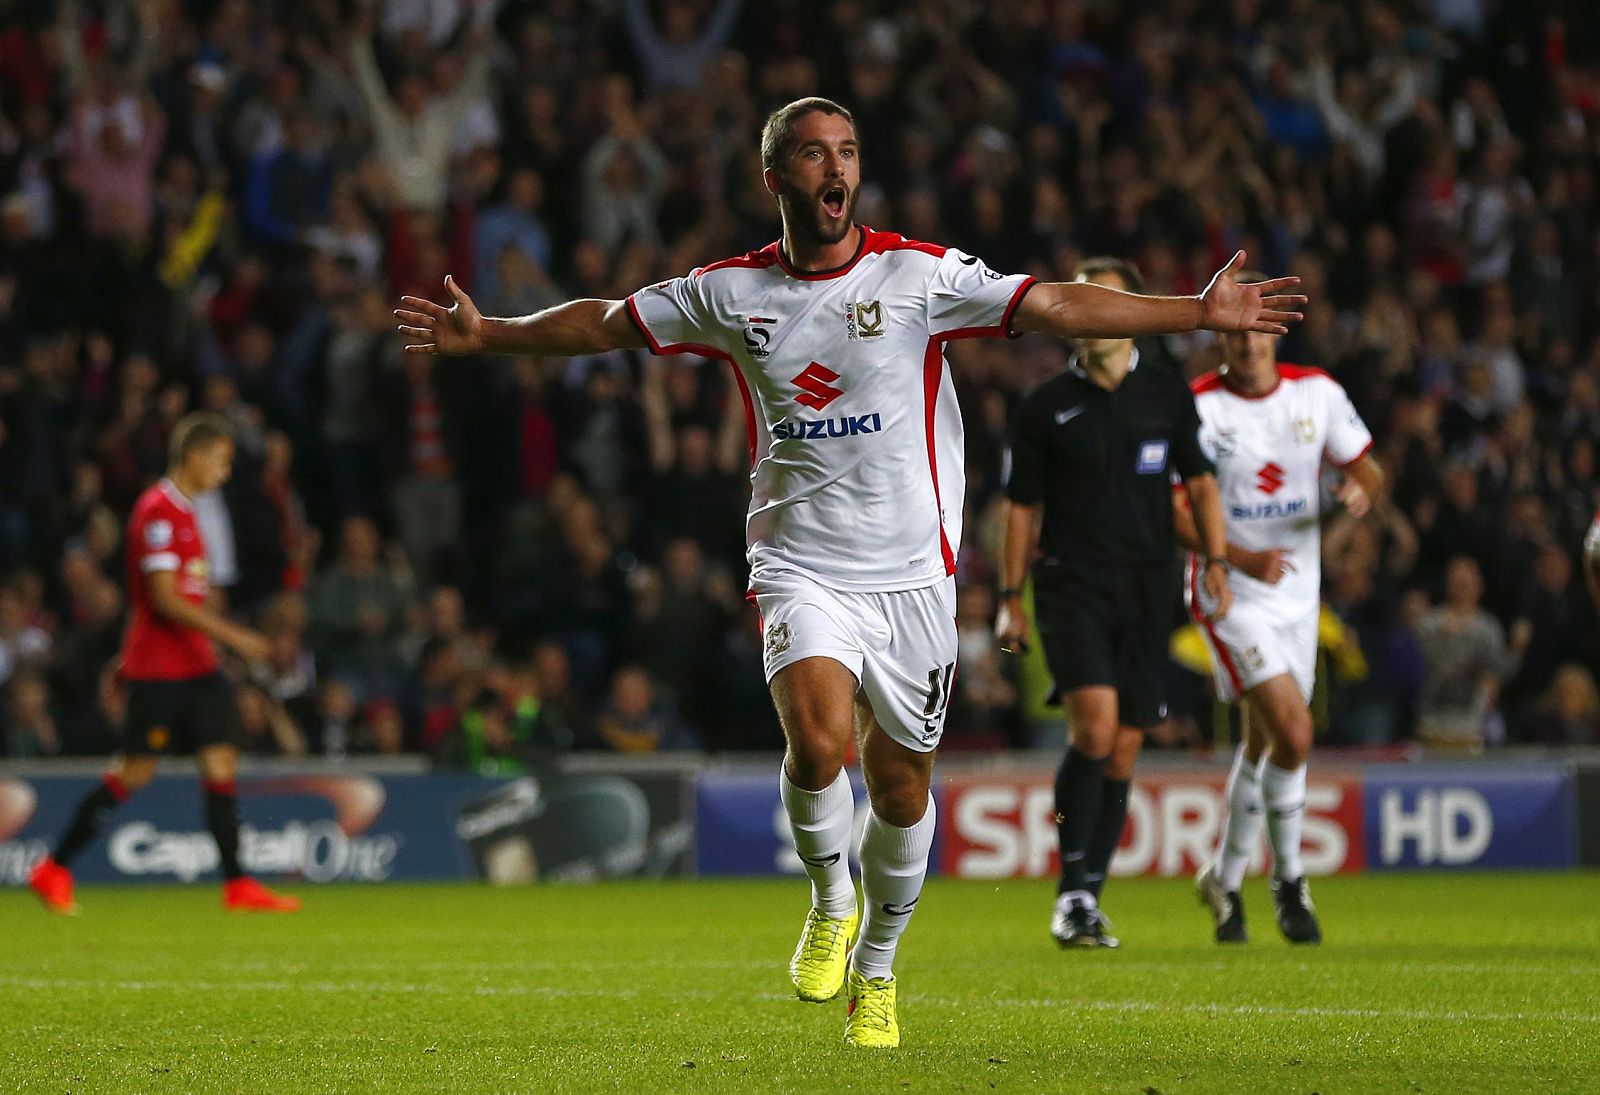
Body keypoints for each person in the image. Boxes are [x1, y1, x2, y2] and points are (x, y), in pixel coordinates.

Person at [393, 98, 1304, 1047]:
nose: (836, 168)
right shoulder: (730, 290)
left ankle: (877, 964)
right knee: (819, 741)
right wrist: (492, 333)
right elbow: (611, 323)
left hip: (912, 574)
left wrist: (1197, 312)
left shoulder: (916, 275)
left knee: (903, 785)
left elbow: (1057, 303)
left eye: (849, 152)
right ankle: (831, 901)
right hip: (798, 558)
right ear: (775, 177)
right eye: (814, 153)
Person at [993, 256, 1235, 950]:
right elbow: (1020, 507)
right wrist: (1012, 596)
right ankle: (1069, 887)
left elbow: (1202, 482)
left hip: (1149, 585)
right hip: (1072, 584)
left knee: (1125, 749)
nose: (1090, 310)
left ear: (1129, 317)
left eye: (1105, 299)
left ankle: (1087, 897)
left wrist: (1216, 559)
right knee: (1095, 730)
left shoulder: (1165, 394)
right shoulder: (1044, 406)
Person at [28, 413, 301, 915]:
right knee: (135, 772)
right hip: (160, 670)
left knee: (221, 763)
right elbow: (165, 600)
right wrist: (238, 637)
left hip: (196, 665)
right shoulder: (158, 511)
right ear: (194, 456)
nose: (224, 472)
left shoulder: (184, 511)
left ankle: (238, 884)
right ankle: (53, 867)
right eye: (221, 461)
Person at [1181, 303, 1383, 944]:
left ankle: (1225, 879)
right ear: (1219, 338)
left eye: (1257, 330)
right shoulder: (1199, 407)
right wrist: (1235, 557)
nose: (1247, 343)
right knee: (1295, 732)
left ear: (1275, 333)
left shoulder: (1317, 393)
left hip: (1298, 597)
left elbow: (1368, 471)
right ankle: (1290, 881)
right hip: (1229, 591)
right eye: (1234, 332)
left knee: (1265, 741)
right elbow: (1171, 508)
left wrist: (1355, 501)